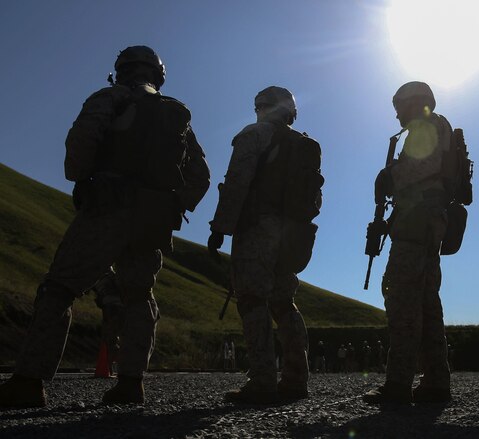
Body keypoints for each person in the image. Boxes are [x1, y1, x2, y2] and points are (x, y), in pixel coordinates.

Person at [0, 45, 210, 407]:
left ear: (122, 70)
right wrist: (170, 205)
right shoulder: (175, 114)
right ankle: (131, 384)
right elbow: (200, 177)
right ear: (158, 75)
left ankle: (29, 382)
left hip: (108, 207)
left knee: (60, 289)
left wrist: (85, 179)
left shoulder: (110, 97)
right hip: (151, 220)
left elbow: (81, 143)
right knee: (139, 296)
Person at [208, 86, 322, 404]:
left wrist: (220, 227)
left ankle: (262, 381)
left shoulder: (255, 134)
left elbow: (237, 181)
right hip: (292, 234)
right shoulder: (304, 144)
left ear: (262, 107)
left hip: (258, 228)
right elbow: (315, 198)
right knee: (284, 303)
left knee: (252, 300)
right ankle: (296, 378)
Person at [363, 81, 452, 404]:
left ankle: (398, 383)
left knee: (402, 299)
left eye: (399, 105)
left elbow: (421, 167)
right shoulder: (436, 125)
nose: (397, 112)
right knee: (427, 304)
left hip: (418, 224)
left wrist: (389, 176)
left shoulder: (426, 125)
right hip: (424, 221)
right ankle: (436, 381)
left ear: (415, 102)